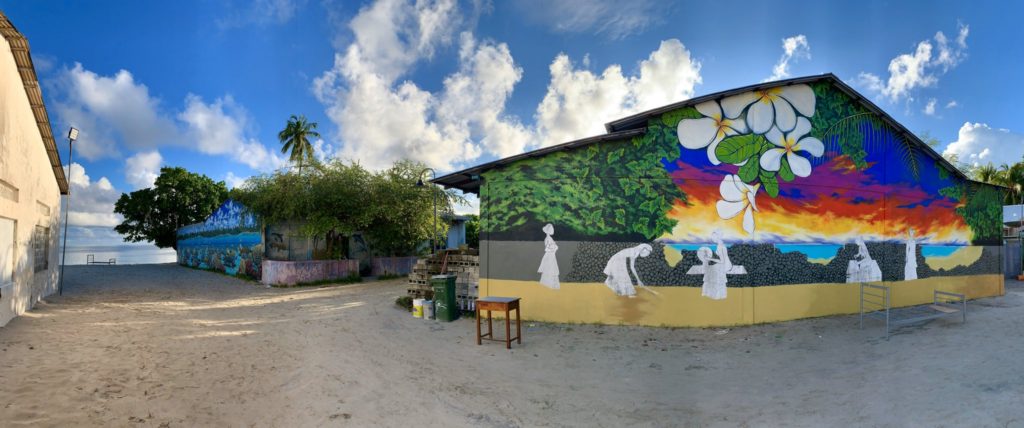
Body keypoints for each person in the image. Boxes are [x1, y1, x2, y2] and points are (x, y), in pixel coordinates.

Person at [537, 224, 560, 289]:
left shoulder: (549, 238)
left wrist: (554, 247)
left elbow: (552, 246)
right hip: (549, 255)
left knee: (551, 268)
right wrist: (553, 248)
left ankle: (551, 283)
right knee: (549, 268)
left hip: (551, 255)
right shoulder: (547, 238)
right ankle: (549, 283)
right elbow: (547, 248)